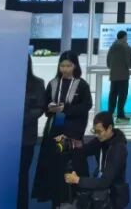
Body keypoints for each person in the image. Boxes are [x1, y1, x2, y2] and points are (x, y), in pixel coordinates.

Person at [33, 52, 92, 207]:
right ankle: (56, 202)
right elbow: (45, 105)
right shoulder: (53, 83)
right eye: (62, 66)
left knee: (69, 168)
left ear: (75, 66)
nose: (65, 69)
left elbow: (86, 106)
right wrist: (50, 108)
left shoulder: (81, 85)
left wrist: (66, 109)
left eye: (68, 66)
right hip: (53, 133)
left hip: (71, 135)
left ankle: (71, 202)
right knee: (54, 169)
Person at [62, 112, 129, 209]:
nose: (97, 135)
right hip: (100, 185)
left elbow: (105, 182)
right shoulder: (101, 140)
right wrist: (67, 143)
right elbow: (84, 149)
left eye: (99, 131)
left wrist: (78, 180)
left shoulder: (118, 150)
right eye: (95, 131)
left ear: (109, 128)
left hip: (112, 193)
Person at [19, 57, 46, 209]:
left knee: (22, 177)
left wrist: (22, 119)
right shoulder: (6, 82)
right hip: (5, 140)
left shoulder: (38, 83)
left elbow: (41, 108)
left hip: (26, 139)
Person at [106, 30, 131, 121]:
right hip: (123, 75)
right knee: (122, 95)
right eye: (126, 37)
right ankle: (120, 114)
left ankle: (110, 114)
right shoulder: (126, 47)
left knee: (112, 95)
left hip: (113, 75)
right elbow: (128, 62)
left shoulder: (112, 46)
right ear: (124, 37)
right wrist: (130, 65)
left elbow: (108, 61)